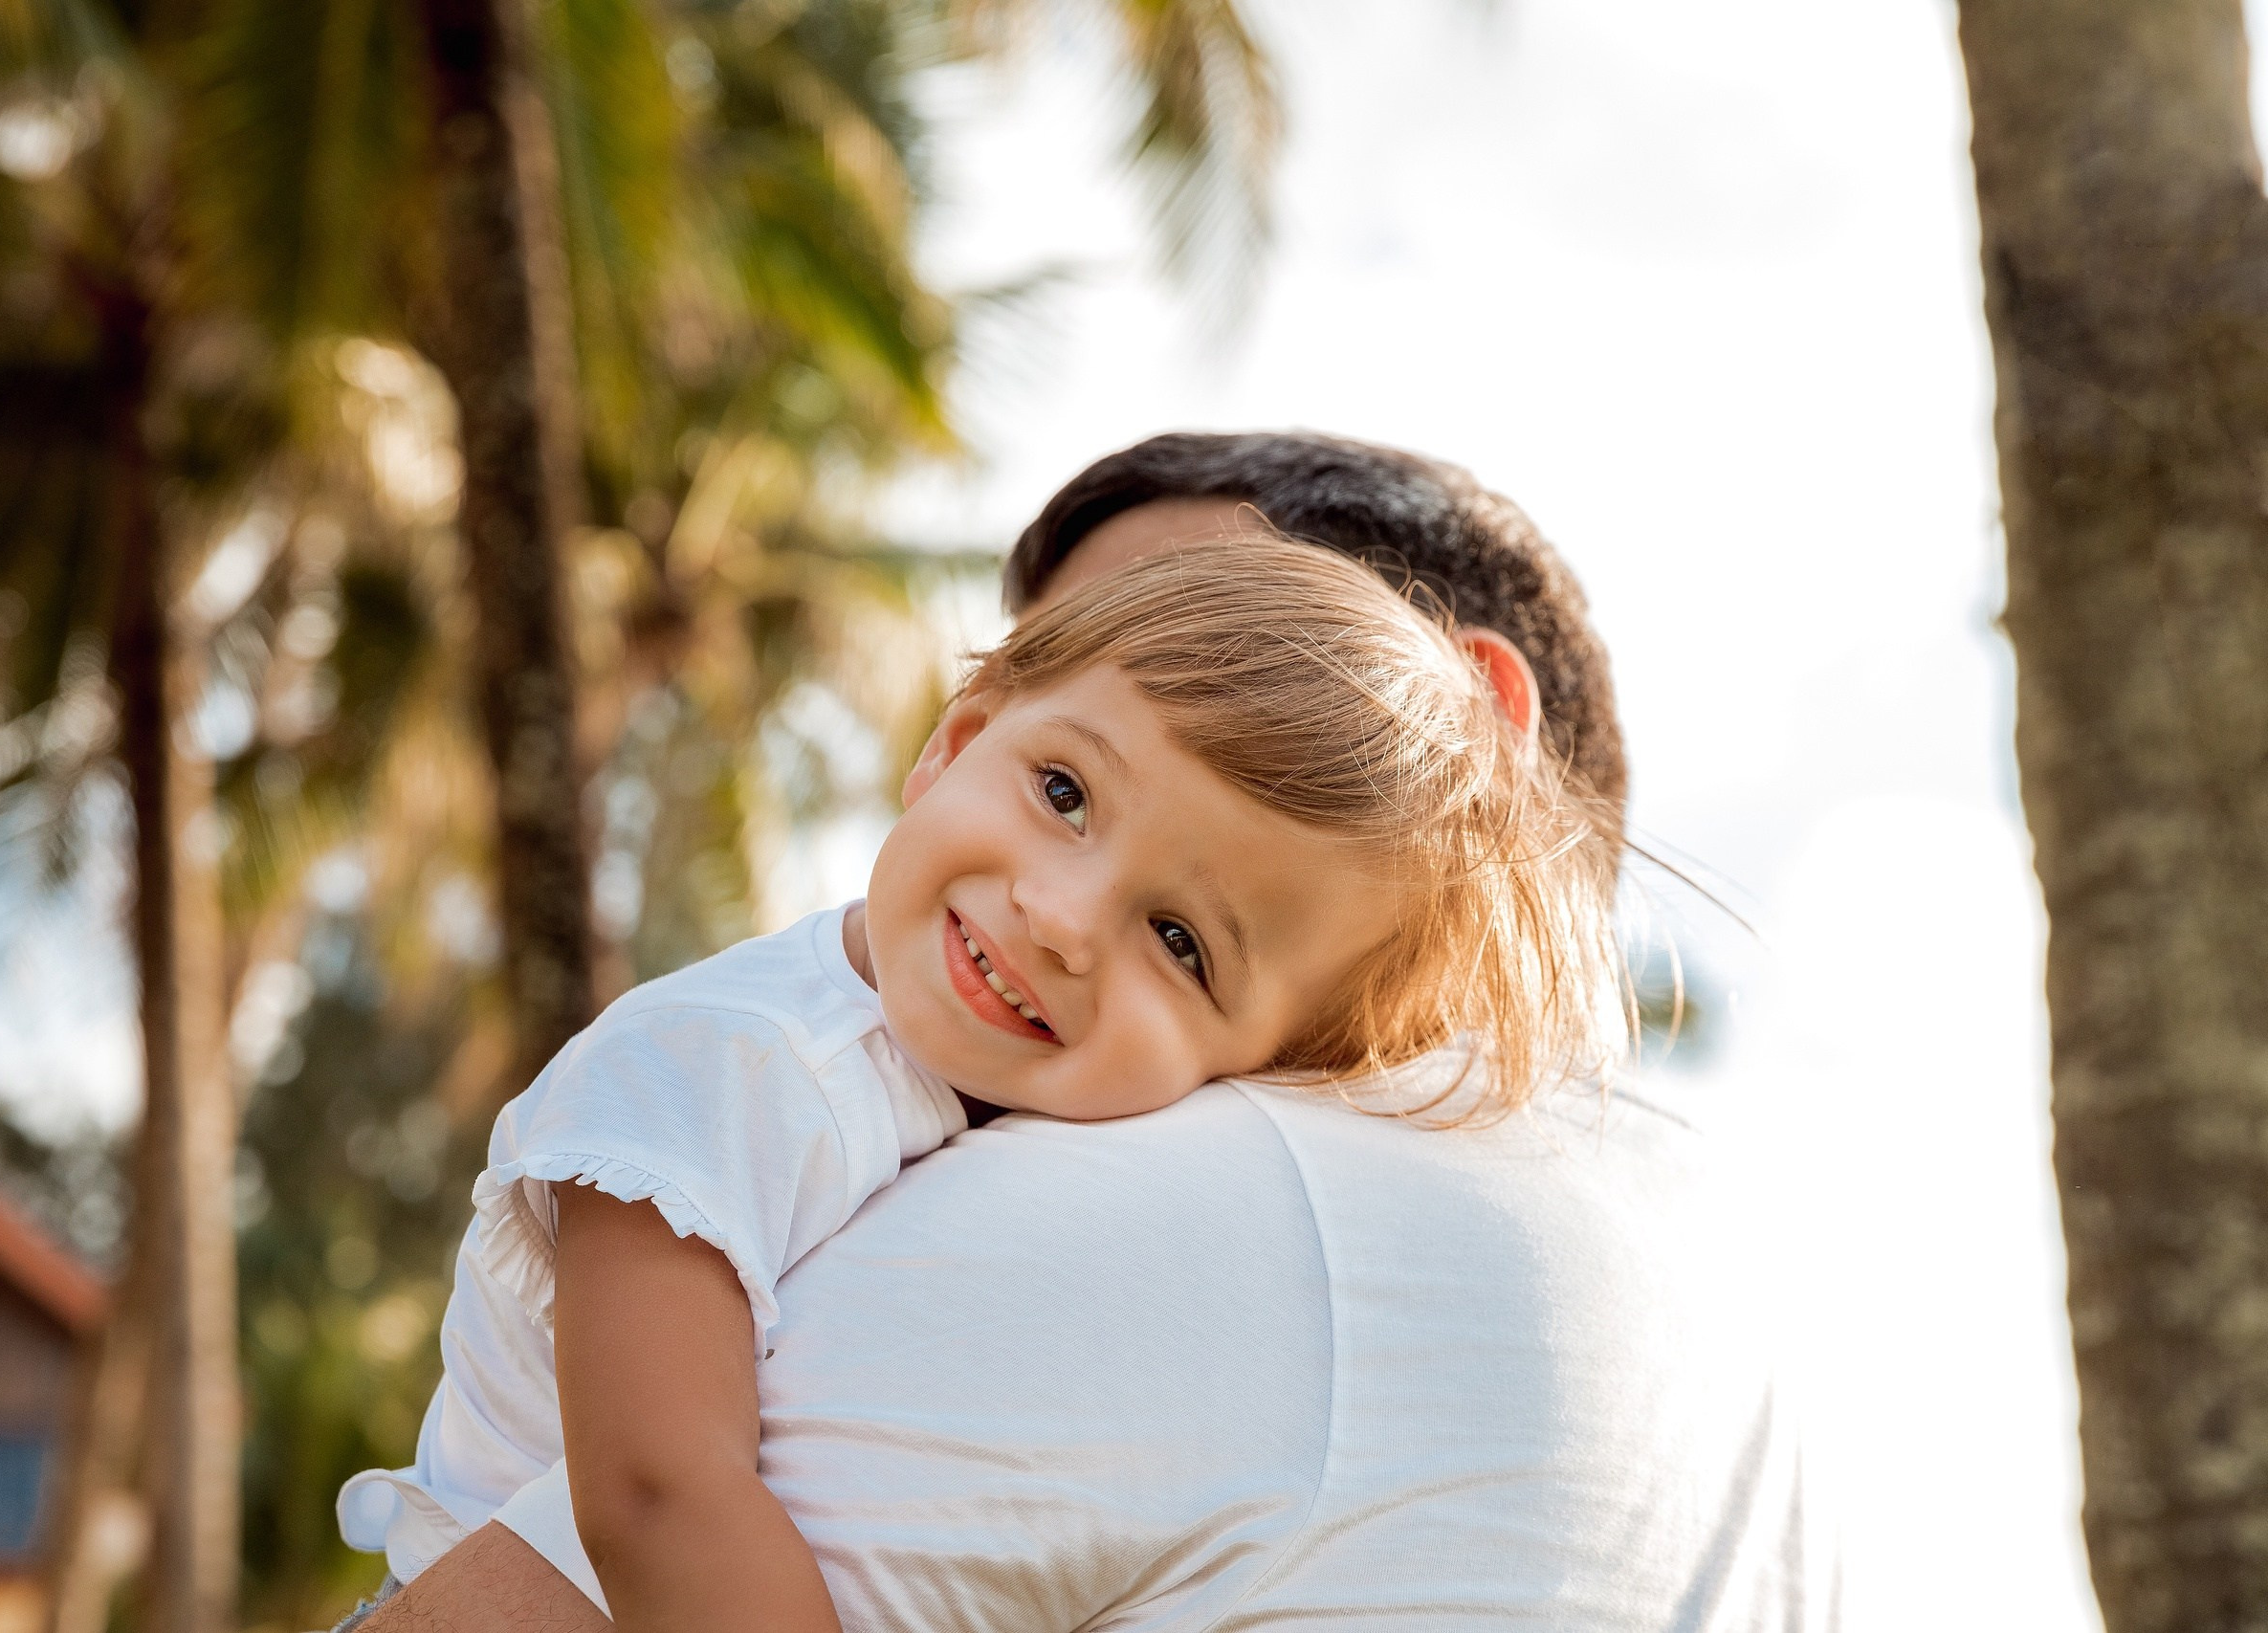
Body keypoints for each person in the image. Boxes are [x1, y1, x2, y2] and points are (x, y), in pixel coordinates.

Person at [354, 432, 1840, 1630]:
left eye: (1186, 943)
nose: (1062, 918)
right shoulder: (1753, 1359)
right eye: (1062, 780)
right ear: (965, 731)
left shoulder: (1247, 1209)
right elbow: (656, 1494)